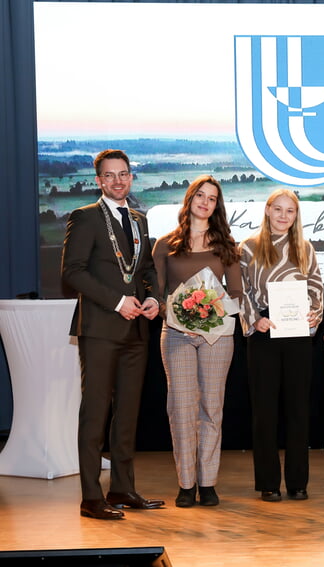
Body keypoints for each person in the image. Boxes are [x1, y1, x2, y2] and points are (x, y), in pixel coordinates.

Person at [61, 149, 165, 520]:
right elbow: (72, 272)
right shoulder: (84, 218)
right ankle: (91, 497)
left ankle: (122, 489)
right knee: (96, 414)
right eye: (110, 175)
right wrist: (118, 300)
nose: (118, 180)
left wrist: (153, 298)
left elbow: (147, 268)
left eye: (124, 174)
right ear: (99, 180)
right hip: (101, 329)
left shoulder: (138, 219)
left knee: (128, 415)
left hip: (137, 329)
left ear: (131, 178)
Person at [152, 175, 242, 508]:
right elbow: (156, 295)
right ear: (190, 199)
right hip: (176, 334)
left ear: (217, 206)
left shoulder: (225, 244)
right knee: (181, 409)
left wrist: (207, 319)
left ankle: (208, 482)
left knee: (211, 409)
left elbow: (235, 293)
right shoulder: (165, 244)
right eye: (200, 195)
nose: (205, 202)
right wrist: (178, 319)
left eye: (212, 198)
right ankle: (186, 484)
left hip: (217, 336)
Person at [239, 188, 323, 502]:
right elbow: (241, 290)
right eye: (279, 209)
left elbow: (315, 285)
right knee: (265, 411)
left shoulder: (304, 247)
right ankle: (269, 483)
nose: (284, 216)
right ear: (268, 210)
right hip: (264, 331)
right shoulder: (248, 247)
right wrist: (254, 319)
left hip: (298, 333)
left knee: (298, 410)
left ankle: (298, 482)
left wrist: (313, 315)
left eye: (290, 211)